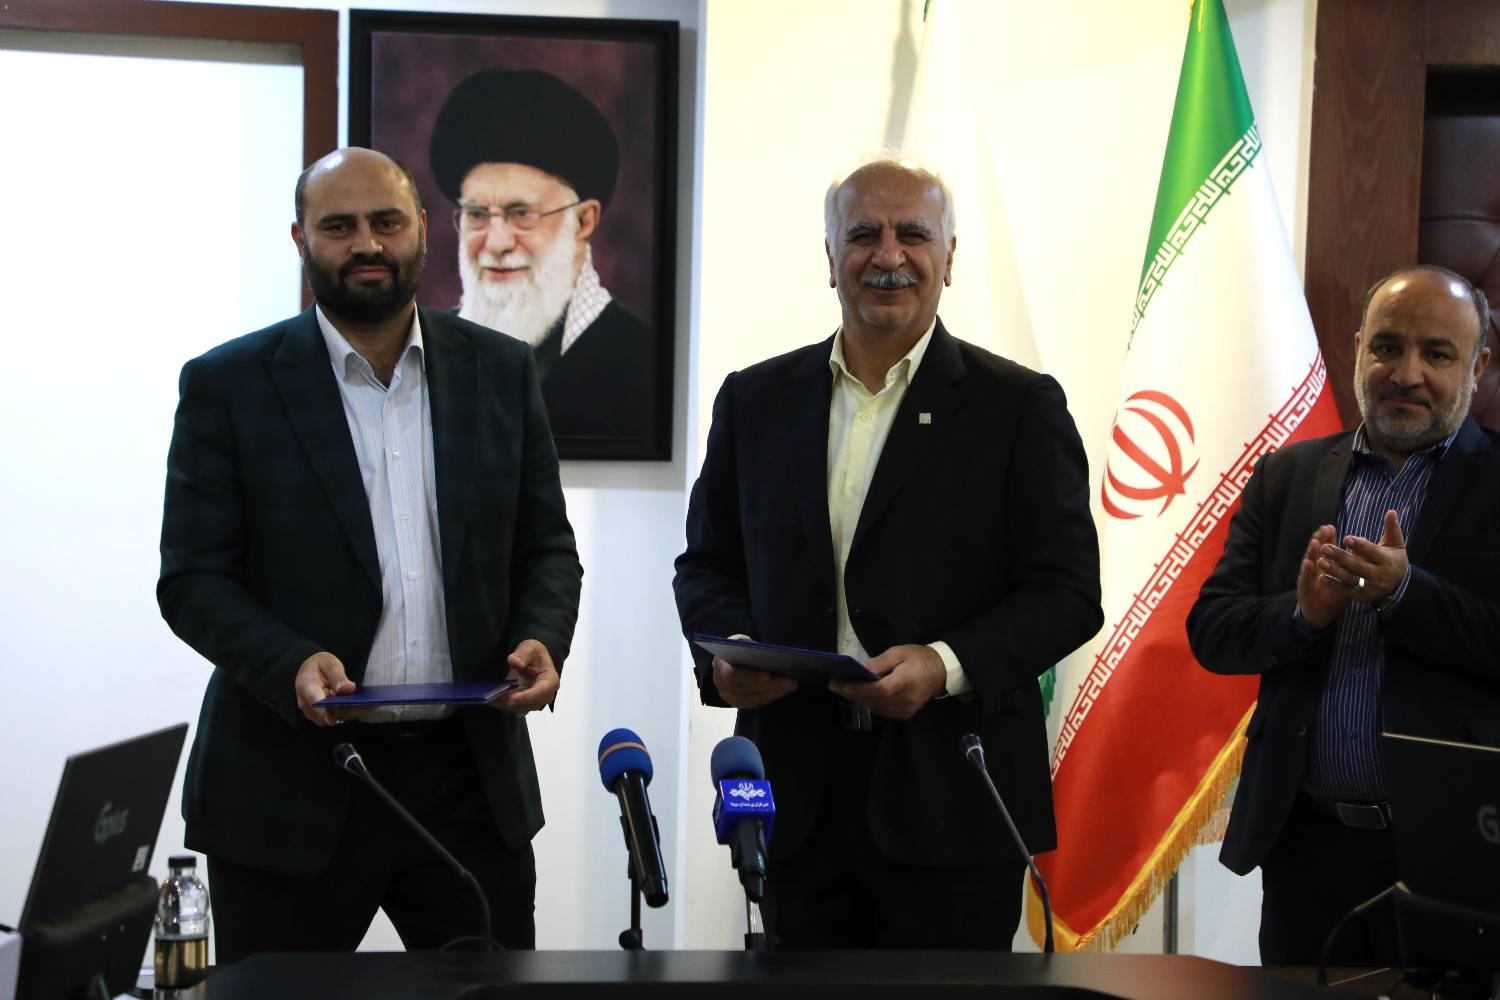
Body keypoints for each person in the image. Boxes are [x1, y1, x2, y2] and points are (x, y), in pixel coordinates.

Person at [157, 148, 582, 961]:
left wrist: (541, 635)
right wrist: (288, 662)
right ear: (300, 239)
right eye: (338, 227)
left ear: (421, 228)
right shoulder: (229, 385)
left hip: (467, 783)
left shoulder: (501, 371)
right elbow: (192, 580)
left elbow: (547, 548)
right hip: (287, 786)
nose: (366, 244)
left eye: (386, 222)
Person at [672, 156, 1102, 949]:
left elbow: (1068, 593)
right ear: (830, 255)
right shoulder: (755, 399)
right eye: (864, 233)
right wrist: (727, 650)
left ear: (949, 256)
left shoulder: (1017, 407)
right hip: (794, 801)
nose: (889, 255)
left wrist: (944, 664)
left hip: (954, 801)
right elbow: (706, 565)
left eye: (913, 234)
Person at [1187, 265, 1500, 965]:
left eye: (1437, 354)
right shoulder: (1286, 475)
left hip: (1460, 855)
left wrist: (1406, 595)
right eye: (1387, 347)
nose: (1407, 374)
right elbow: (1212, 630)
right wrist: (1302, 616)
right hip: (1306, 851)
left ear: (1478, 367)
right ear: (1358, 349)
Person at [429, 69, 656, 451]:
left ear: (583, 221)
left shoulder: (642, 363)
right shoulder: (427, 355)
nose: (496, 243)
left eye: (521, 213)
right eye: (477, 214)